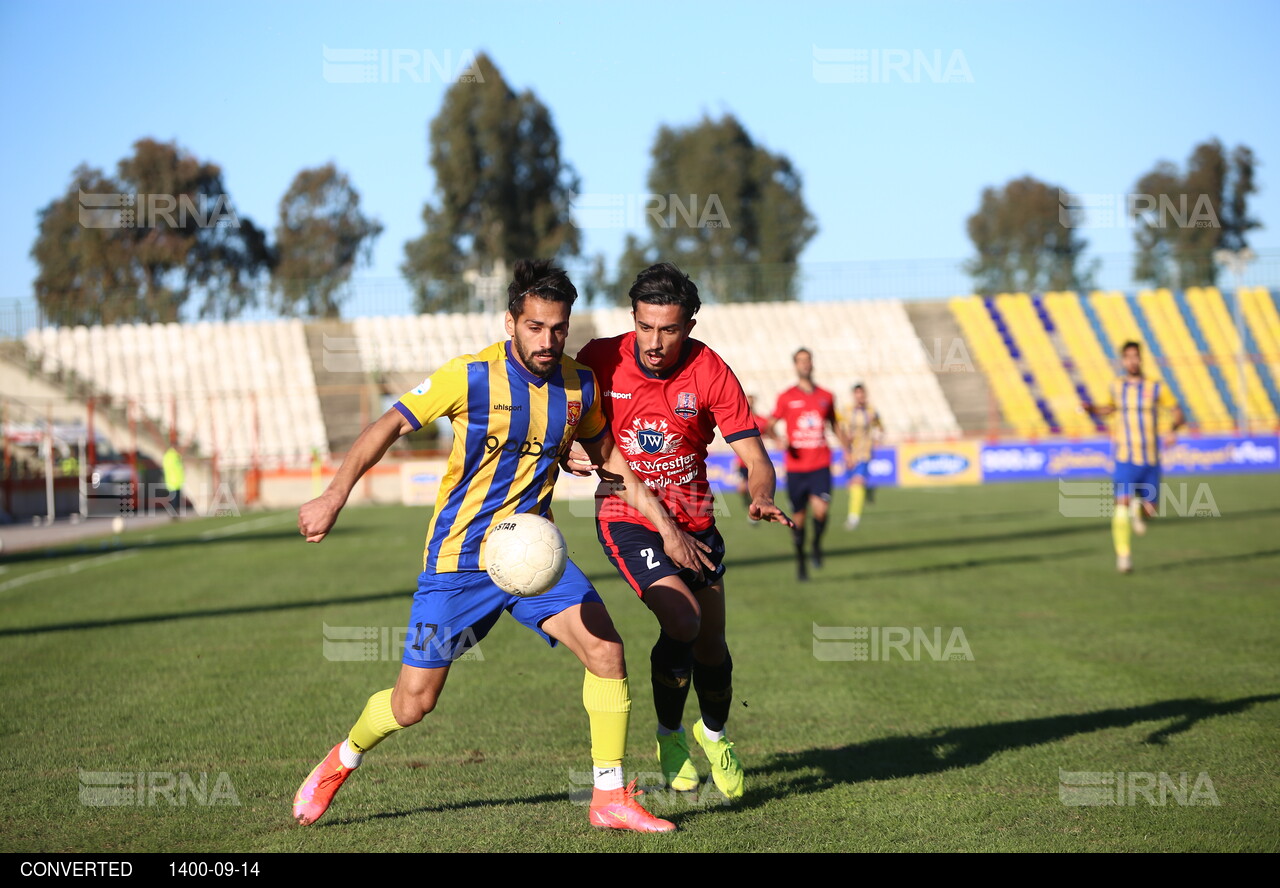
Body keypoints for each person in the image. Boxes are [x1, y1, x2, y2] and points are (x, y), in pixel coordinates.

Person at [292, 259, 713, 833]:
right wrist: (334, 495)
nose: (548, 340)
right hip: (458, 563)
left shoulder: (578, 384)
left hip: (534, 557)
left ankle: (608, 798)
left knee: (606, 652)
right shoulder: (469, 376)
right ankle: (342, 759)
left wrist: (665, 527)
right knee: (413, 703)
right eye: (536, 326)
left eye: (559, 328)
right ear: (511, 320)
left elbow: (611, 458)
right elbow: (388, 426)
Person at [565, 262, 793, 802]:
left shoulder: (711, 371)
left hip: (697, 521)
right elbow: (555, 415)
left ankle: (712, 734)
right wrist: (564, 449)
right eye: (646, 327)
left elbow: (757, 459)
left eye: (669, 329)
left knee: (711, 646)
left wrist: (761, 496)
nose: (655, 342)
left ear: (689, 325)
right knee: (682, 618)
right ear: (633, 319)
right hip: (627, 517)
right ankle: (669, 737)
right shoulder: (599, 358)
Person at [1083, 340, 1185, 573]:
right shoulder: (1116, 387)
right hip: (1125, 457)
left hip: (1150, 458)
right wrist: (1092, 410)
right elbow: (1108, 409)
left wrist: (1172, 429)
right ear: (1122, 360)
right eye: (1128, 356)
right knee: (1121, 503)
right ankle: (1124, 556)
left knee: (1150, 511)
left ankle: (1140, 511)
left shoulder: (1156, 387)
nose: (1132, 360)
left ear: (1141, 358)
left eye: (1135, 356)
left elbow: (1178, 413)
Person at [769, 348, 844, 580]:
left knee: (821, 510)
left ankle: (817, 545)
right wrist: (778, 439)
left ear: (812, 364)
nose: (805, 364)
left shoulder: (826, 396)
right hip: (796, 468)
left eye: (808, 360)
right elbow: (770, 424)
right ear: (795, 365)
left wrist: (847, 449)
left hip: (820, 463)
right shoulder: (786, 397)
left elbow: (835, 423)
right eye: (801, 361)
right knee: (798, 521)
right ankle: (801, 560)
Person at [841, 383, 882, 530]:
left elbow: (880, 427)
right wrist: (846, 446)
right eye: (857, 394)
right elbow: (841, 430)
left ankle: (853, 518)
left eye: (862, 394)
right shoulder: (846, 411)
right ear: (854, 395)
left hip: (864, 452)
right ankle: (868, 491)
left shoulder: (872, 411)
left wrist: (877, 437)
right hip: (850, 452)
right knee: (851, 485)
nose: (860, 397)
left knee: (857, 483)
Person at [735, 395, 773, 523]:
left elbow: (769, 432)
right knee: (742, 489)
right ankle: (748, 505)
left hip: (757, 460)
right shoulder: (740, 419)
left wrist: (778, 440)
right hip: (742, 460)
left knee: (755, 486)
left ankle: (756, 507)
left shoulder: (761, 420)